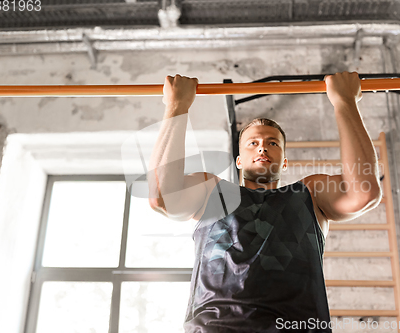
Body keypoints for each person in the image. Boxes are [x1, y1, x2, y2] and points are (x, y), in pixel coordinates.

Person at [148, 72, 382, 332]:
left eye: (272, 143)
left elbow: (364, 192)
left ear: (284, 161)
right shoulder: (211, 192)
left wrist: (344, 102)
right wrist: (177, 106)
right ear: (239, 161)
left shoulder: (310, 194)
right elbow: (161, 196)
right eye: (252, 143)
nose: (262, 148)